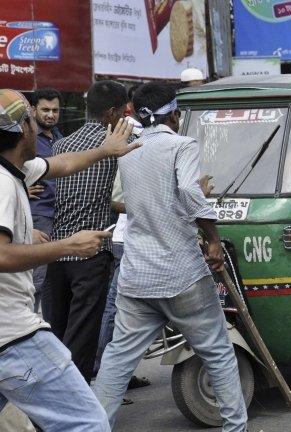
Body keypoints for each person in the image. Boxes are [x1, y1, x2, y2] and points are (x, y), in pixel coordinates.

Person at [0, 89, 139, 431]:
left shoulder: (2, 167)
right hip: (8, 337)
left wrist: (105, 150)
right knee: (89, 423)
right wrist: (69, 246)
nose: (39, 124)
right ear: (23, 131)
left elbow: (61, 164)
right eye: (32, 118)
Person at [93, 82, 248, 431]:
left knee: (117, 359)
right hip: (181, 274)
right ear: (175, 114)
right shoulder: (182, 145)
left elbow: (133, 201)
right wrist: (213, 240)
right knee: (218, 353)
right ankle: (235, 427)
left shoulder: (128, 150)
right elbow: (190, 194)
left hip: (137, 276)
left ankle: (93, 427)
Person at [45, 80, 128, 381]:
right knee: (82, 337)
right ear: (111, 112)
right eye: (123, 110)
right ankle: (75, 407)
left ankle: (52, 400)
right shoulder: (119, 146)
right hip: (91, 252)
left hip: (57, 251)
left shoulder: (62, 144)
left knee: (56, 332)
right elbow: (118, 199)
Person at [27, 88, 63, 314]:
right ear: (33, 110)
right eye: (45, 110)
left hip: (58, 214)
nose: (51, 115)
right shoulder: (26, 137)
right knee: (35, 281)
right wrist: (21, 188)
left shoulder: (59, 138)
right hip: (38, 215)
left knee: (50, 280)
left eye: (55, 110)